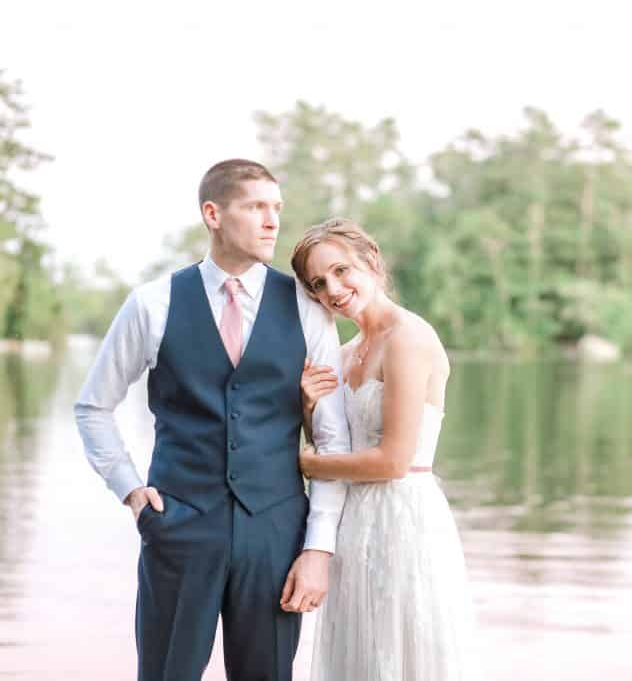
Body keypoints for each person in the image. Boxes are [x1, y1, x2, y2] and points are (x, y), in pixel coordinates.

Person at [73, 159, 350, 681]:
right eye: (256, 207)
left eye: (277, 209)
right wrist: (131, 491)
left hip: (275, 532)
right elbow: (93, 407)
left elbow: (333, 438)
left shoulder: (308, 308)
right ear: (213, 214)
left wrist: (318, 548)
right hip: (179, 524)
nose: (272, 221)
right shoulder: (151, 304)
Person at [291, 217, 478, 680]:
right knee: (358, 659)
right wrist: (308, 407)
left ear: (371, 261)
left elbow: (394, 461)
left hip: (405, 523)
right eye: (318, 283)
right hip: (355, 526)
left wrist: (304, 464)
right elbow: (335, 443)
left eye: (341, 271)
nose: (332, 289)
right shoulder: (344, 352)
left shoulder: (409, 338)